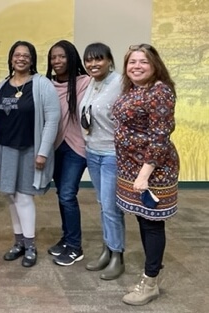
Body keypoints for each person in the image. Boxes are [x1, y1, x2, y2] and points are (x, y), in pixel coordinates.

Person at [113, 44, 179, 306]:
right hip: (131, 167)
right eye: (132, 62)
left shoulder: (160, 91)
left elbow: (160, 138)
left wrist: (144, 175)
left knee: (152, 223)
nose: (136, 66)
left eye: (143, 62)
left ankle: (150, 282)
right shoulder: (133, 89)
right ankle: (149, 273)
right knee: (142, 220)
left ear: (155, 66)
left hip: (153, 171)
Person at [0, 41, 60, 267]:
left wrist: (42, 152)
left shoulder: (42, 85)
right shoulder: (4, 84)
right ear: (11, 58)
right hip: (5, 148)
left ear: (32, 60)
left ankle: (30, 246)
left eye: (26, 55)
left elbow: (52, 120)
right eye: (17, 54)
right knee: (11, 197)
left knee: (24, 196)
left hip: (29, 149)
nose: (21, 58)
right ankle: (19, 242)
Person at [79, 43, 124, 279]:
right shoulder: (91, 83)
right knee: (102, 203)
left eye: (98, 59)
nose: (93, 64)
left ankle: (117, 255)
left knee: (110, 206)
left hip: (111, 154)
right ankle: (107, 249)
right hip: (92, 152)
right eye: (89, 60)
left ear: (109, 60)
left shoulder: (120, 83)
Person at [45, 40, 89, 266]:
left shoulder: (85, 83)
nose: (57, 61)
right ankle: (66, 237)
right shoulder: (47, 85)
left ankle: (75, 246)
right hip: (56, 147)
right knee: (61, 193)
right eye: (53, 57)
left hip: (77, 147)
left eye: (61, 56)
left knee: (67, 194)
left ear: (71, 57)